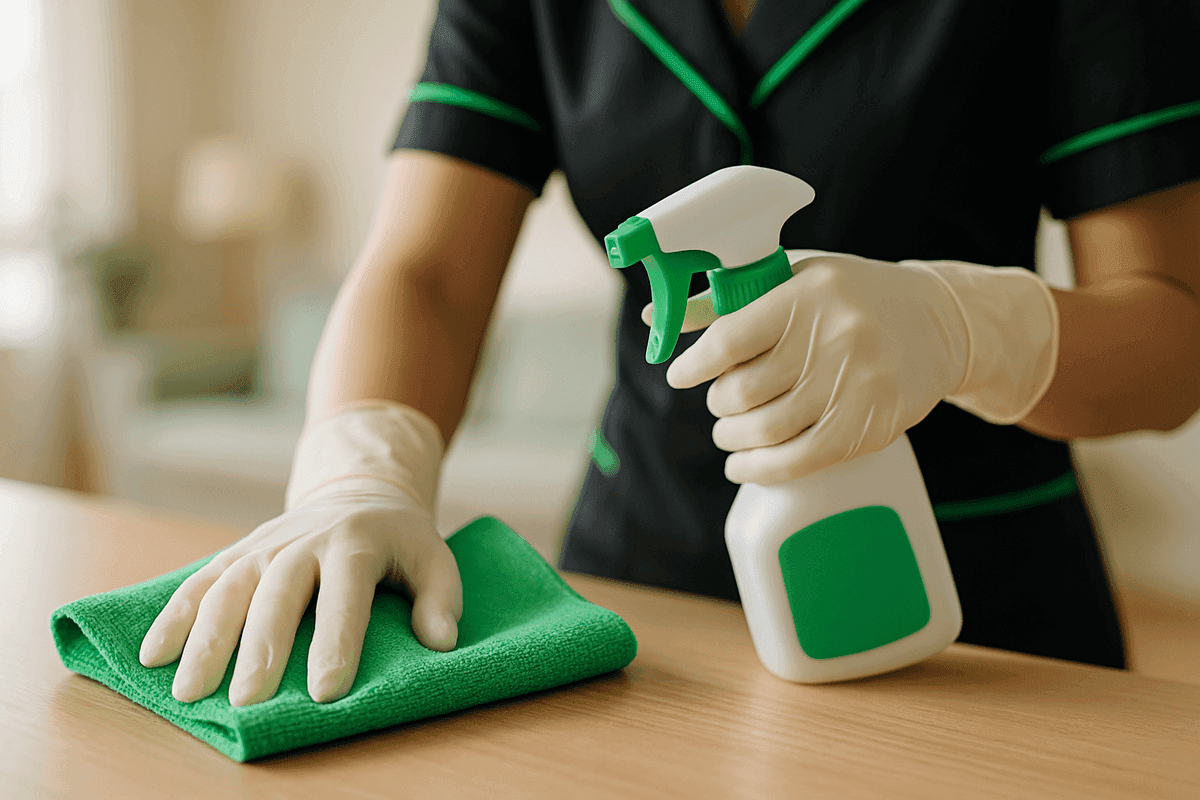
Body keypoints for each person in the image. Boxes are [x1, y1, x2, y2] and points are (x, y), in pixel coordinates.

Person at [139, 0, 1200, 706]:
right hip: (641, 593)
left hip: (982, 619)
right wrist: (359, 470)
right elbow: (426, 272)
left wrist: (962, 326)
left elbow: (1173, 334)